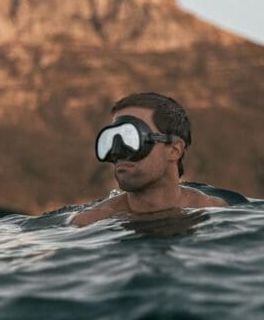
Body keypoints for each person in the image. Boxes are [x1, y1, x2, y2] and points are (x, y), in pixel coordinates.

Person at [70, 92, 233, 226]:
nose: (118, 152)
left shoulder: (214, 210)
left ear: (174, 150)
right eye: (111, 139)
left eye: (131, 138)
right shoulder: (88, 223)